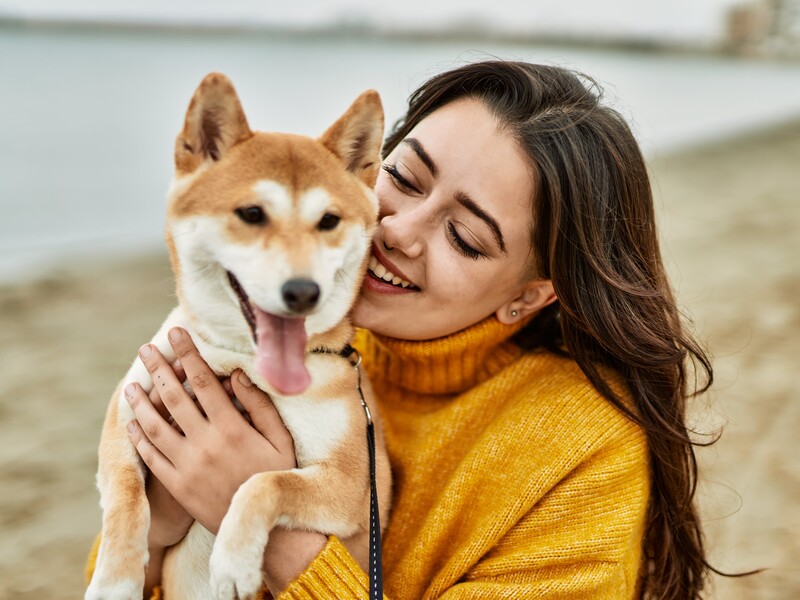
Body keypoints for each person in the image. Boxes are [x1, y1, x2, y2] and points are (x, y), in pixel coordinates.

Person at [86, 60, 716, 599]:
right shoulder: (268, 328)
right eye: (404, 178)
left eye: (465, 239)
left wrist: (256, 519)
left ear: (528, 296)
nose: (398, 232)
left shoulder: (584, 449)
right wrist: (160, 519)